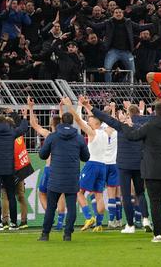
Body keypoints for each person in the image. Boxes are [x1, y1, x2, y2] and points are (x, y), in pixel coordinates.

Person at [118, 101, 161, 242]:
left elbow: (133, 137)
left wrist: (125, 125)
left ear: (155, 112)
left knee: (155, 203)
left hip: (152, 171)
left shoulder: (149, 126)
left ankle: (158, 234)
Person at [90, 102, 152, 234]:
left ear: (127, 116)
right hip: (138, 165)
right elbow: (150, 118)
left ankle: (130, 225)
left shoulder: (120, 127)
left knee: (126, 196)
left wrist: (89, 107)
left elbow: (105, 117)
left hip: (124, 166)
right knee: (140, 193)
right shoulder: (141, 127)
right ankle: (146, 219)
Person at [37, 108, 90, 241]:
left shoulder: (52, 137)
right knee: (71, 207)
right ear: (72, 123)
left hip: (55, 177)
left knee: (51, 207)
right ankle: (67, 234)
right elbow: (86, 157)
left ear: (61, 122)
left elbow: (42, 155)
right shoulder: (79, 138)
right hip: (72, 178)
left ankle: (45, 234)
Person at [73, 97, 114, 232]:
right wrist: (87, 106)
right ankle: (99, 224)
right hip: (102, 165)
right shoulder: (106, 132)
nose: (88, 119)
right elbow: (111, 124)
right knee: (99, 195)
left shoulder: (93, 132)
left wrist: (78, 106)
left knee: (78, 191)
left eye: (90, 118)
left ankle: (88, 216)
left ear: (95, 122)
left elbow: (78, 121)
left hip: (92, 164)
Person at [29, 98, 67, 231]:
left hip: (50, 168)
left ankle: (49, 216)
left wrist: (31, 108)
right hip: (63, 168)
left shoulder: (49, 135)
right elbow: (62, 121)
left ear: (51, 123)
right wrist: (61, 109)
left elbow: (34, 125)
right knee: (61, 193)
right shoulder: (65, 135)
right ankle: (61, 222)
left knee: (42, 193)